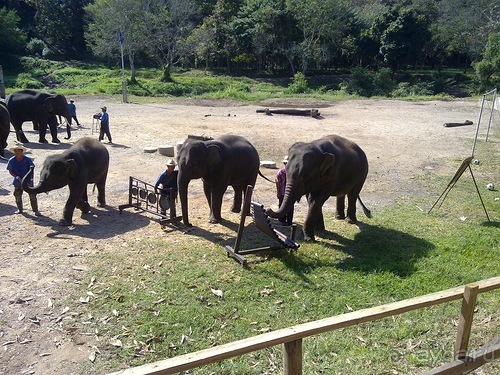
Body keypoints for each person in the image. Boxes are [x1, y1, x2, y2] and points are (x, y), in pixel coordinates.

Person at [6, 145, 41, 216]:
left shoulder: (27, 160)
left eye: (18, 151)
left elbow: (31, 170)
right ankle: (20, 209)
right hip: (17, 181)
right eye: (16, 151)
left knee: (32, 196)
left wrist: (31, 180)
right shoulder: (11, 160)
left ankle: (36, 210)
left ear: (21, 152)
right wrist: (17, 177)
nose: (17, 152)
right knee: (17, 196)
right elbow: (10, 171)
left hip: (28, 181)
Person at [275, 155, 293, 225]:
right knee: (290, 207)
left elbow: (277, 182)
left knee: (282, 205)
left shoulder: (281, 171)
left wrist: (278, 192)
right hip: (290, 193)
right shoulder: (292, 172)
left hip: (283, 192)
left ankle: (282, 220)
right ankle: (289, 221)